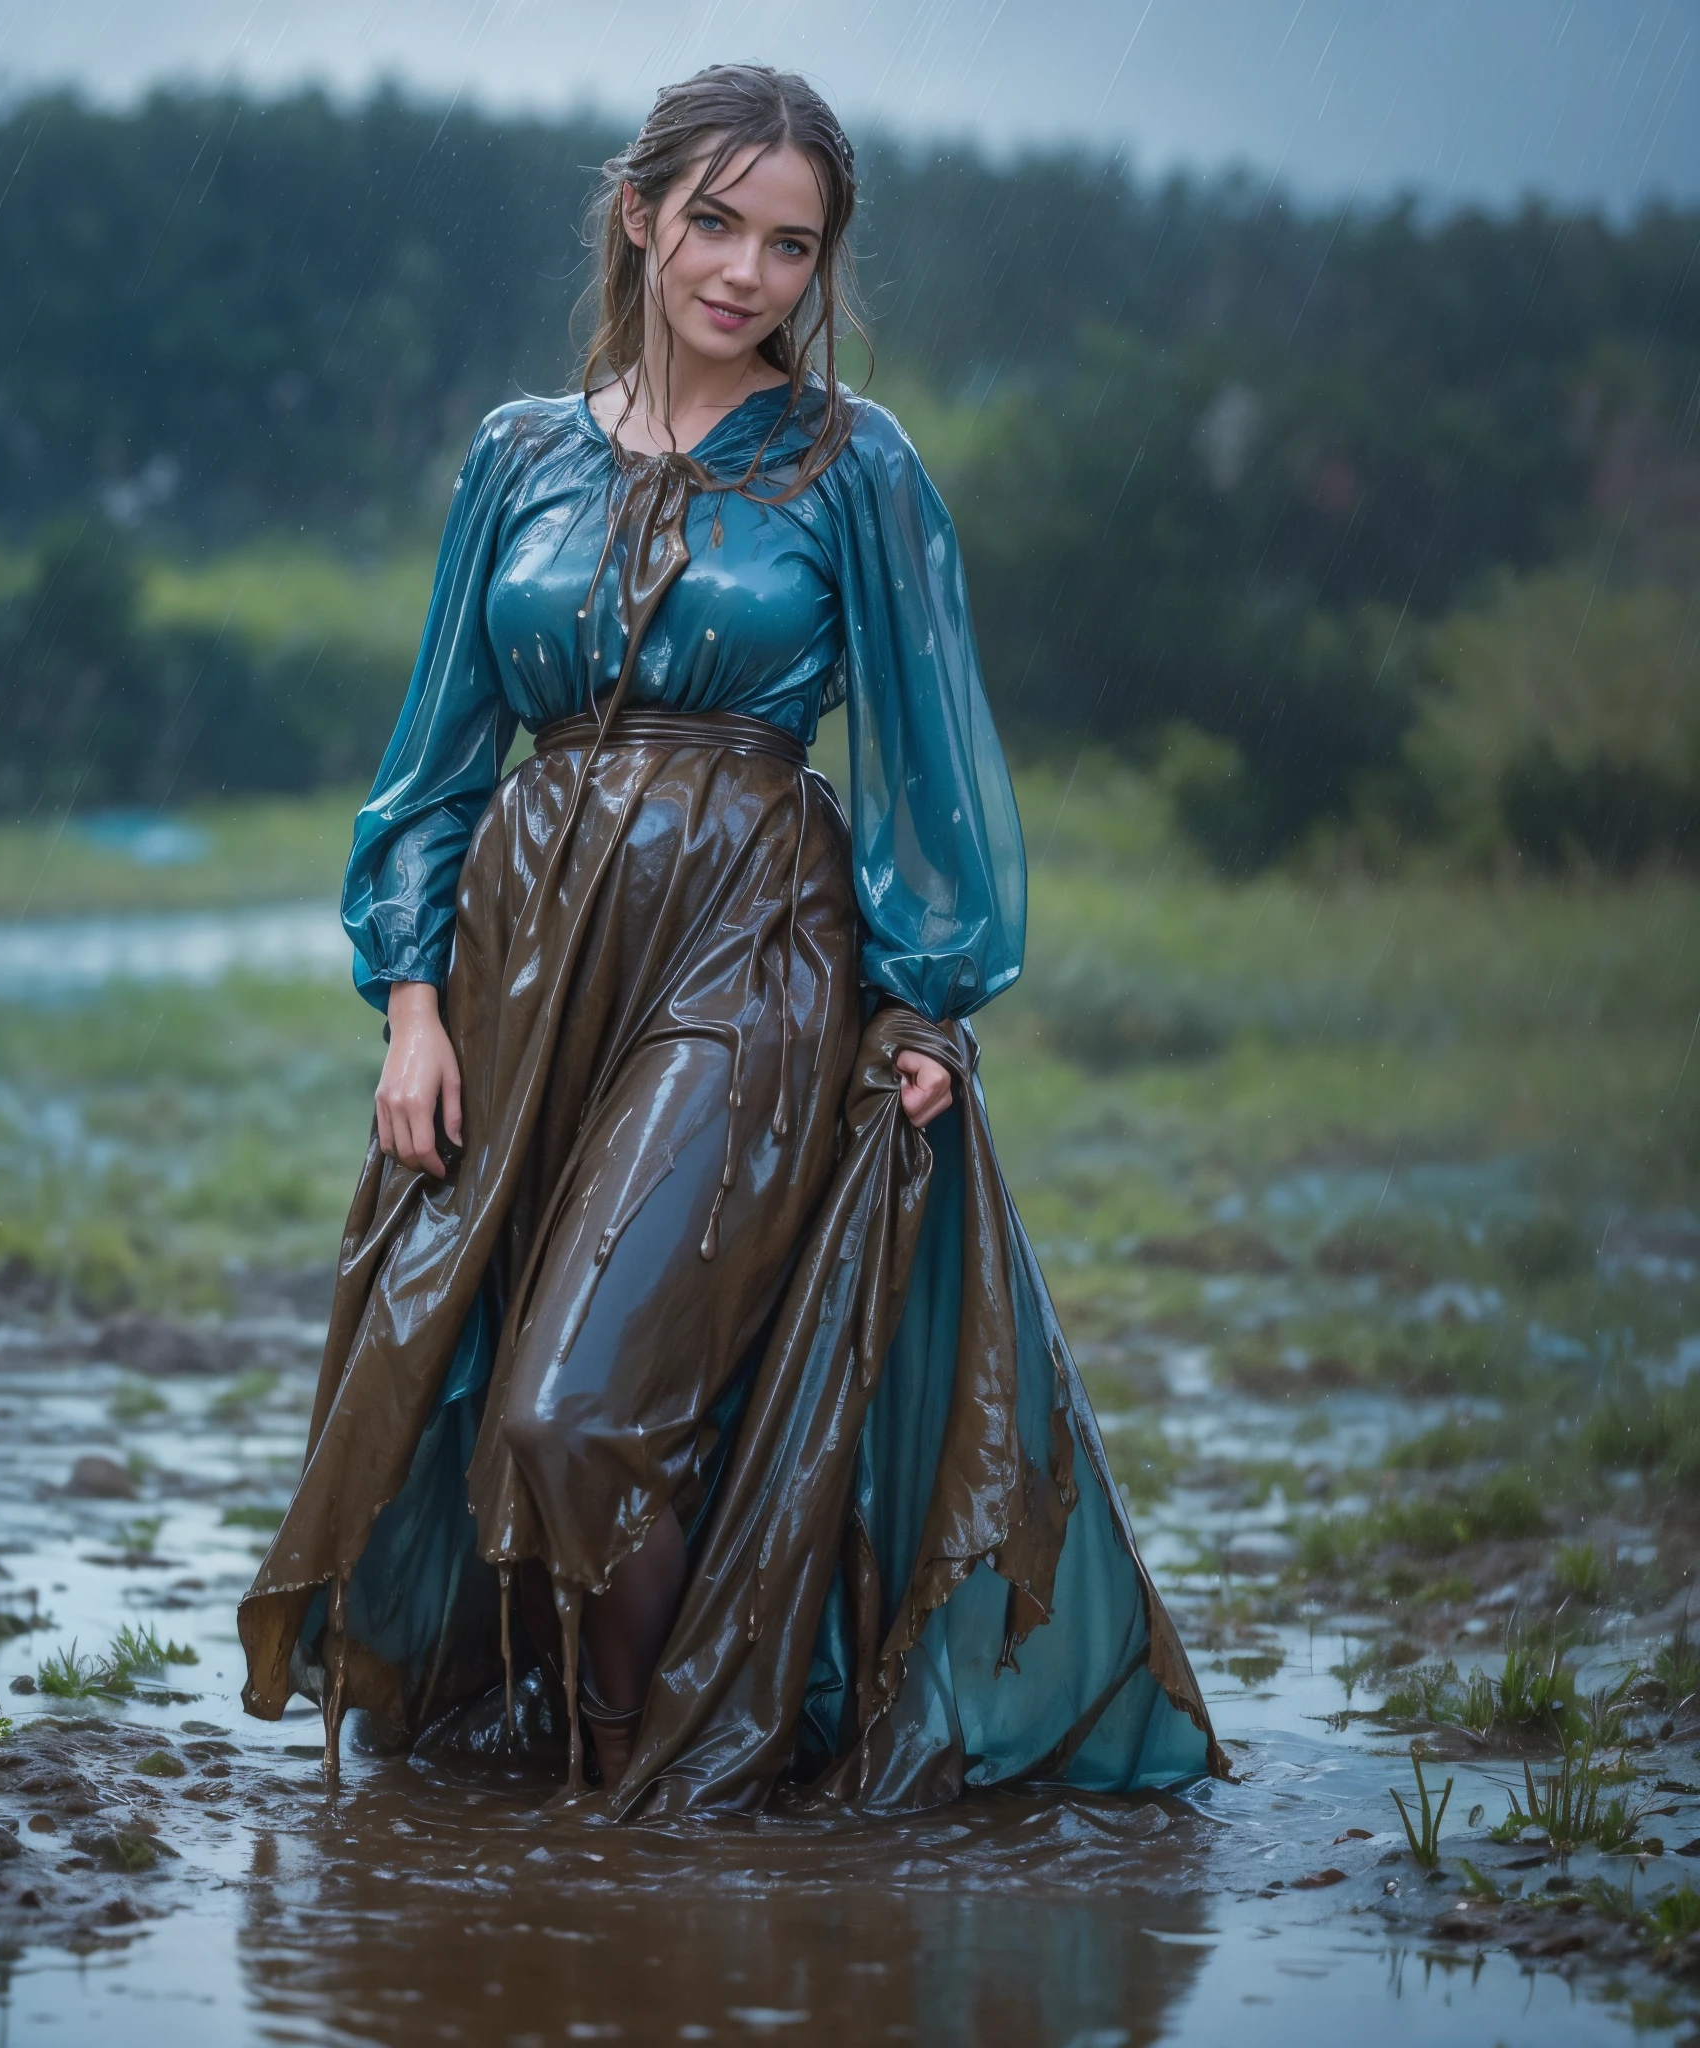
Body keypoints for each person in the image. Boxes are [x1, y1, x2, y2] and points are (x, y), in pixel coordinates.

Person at [239, 62, 1222, 1814]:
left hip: (751, 954)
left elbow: (930, 755)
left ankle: (670, 1799)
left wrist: (926, 1007)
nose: (748, 272)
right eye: (715, 222)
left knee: (572, 1409)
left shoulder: (856, 465)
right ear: (639, 214)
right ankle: (648, 1810)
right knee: (497, 1409)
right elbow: (434, 757)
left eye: (791, 244)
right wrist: (410, 1004)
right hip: (523, 977)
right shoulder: (517, 455)